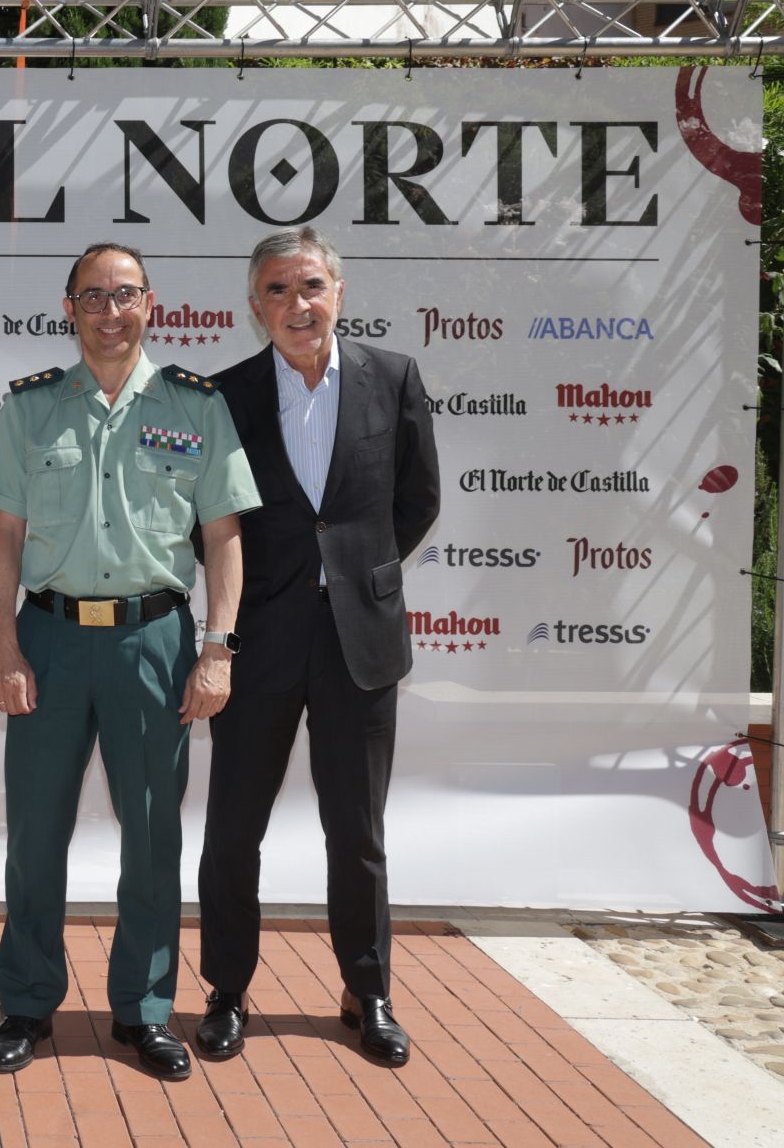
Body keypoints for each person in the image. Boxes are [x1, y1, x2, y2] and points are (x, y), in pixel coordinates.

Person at [0, 242, 258, 1082]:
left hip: (155, 641)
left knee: (153, 836)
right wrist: (5, 643)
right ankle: (26, 1002)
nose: (109, 310)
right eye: (92, 296)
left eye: (123, 294)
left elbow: (223, 538)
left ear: (150, 304)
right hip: (50, 638)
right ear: (69, 308)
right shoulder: (30, 409)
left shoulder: (195, 406)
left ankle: (146, 1009)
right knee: (34, 834)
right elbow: (4, 539)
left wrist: (217, 649)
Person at [194, 226, 439, 1069]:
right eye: (276, 292)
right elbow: (211, 523)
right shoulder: (221, 394)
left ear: (337, 291)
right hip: (256, 640)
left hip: (360, 643)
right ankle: (227, 988)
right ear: (254, 306)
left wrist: (354, 576)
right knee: (233, 829)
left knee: (357, 833)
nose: (296, 306)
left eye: (309, 288)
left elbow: (418, 501)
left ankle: (366, 990)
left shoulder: (394, 377)